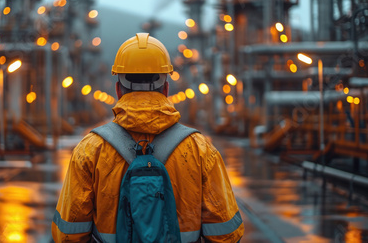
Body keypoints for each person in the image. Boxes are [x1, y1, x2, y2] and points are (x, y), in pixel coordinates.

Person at [52, 33, 244, 242]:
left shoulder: (90, 150)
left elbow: (67, 234)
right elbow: (227, 234)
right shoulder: (200, 150)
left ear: (118, 90)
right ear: (167, 89)